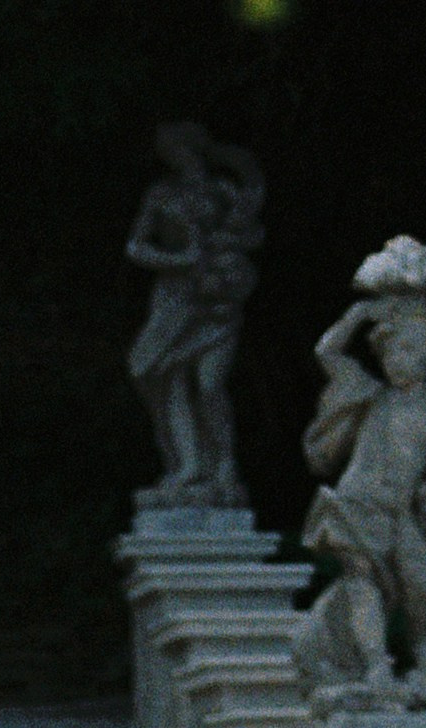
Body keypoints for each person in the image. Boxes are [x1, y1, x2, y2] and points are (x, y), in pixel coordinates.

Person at [298, 259, 426, 701]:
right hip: (357, 501)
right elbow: (327, 352)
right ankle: (376, 665)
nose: (405, 361)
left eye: (415, 353)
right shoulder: (369, 391)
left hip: (400, 511)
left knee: (418, 582)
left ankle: (422, 654)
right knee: (361, 577)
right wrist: (359, 315)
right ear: (382, 353)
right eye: (396, 351)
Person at [125, 124, 264, 508]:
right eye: (170, 153)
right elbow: (136, 245)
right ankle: (186, 464)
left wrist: (226, 253)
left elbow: (250, 234)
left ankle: (222, 467)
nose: (178, 158)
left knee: (209, 383)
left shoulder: (223, 191)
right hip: (174, 297)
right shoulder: (162, 195)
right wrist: (176, 260)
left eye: (182, 150)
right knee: (156, 373)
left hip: (215, 300)